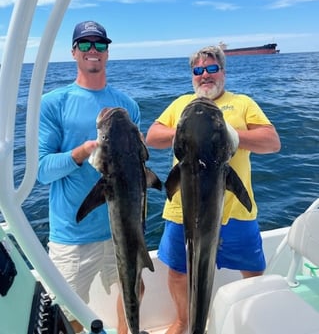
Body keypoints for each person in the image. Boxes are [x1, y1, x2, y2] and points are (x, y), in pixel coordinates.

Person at [145, 45, 281, 334]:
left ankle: (252, 321)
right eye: (198, 71)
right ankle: (183, 320)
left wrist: (228, 135)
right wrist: (185, 132)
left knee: (253, 272)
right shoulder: (181, 103)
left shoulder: (243, 103)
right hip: (182, 211)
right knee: (178, 272)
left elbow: (272, 142)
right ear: (192, 76)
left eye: (211, 69)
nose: (204, 75)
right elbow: (153, 137)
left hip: (234, 214)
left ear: (223, 72)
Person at [38, 21, 141, 334]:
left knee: (133, 292)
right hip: (74, 234)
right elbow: (42, 170)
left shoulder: (128, 106)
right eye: (85, 44)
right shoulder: (54, 103)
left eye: (99, 44)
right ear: (74, 52)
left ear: (108, 52)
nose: (92, 50)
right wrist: (79, 154)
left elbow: (138, 169)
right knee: (65, 314)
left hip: (123, 228)